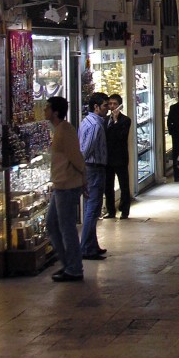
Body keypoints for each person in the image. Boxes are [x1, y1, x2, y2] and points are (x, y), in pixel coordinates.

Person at [45, 97, 86, 283]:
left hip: (67, 186)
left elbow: (76, 157)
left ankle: (74, 268)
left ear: (55, 112)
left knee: (66, 227)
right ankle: (68, 264)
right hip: (60, 185)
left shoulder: (65, 130)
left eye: (47, 108)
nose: (44, 110)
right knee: (53, 224)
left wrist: (84, 179)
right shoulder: (59, 130)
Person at [79, 91, 109, 260]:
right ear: (96, 107)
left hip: (91, 169)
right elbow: (85, 150)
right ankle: (86, 248)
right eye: (105, 105)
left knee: (91, 208)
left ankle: (92, 245)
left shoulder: (87, 121)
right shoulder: (95, 126)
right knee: (92, 209)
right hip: (94, 169)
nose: (107, 108)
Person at [104, 93, 132, 219]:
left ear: (120, 105)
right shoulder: (105, 120)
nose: (112, 106)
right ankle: (111, 210)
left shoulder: (125, 120)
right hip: (108, 158)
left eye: (115, 104)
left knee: (124, 185)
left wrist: (115, 121)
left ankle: (125, 210)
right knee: (108, 186)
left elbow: (121, 137)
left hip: (120, 157)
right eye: (110, 104)